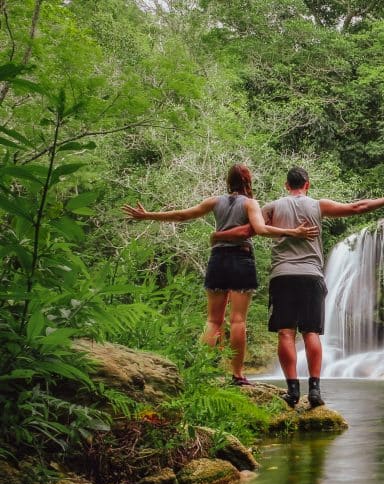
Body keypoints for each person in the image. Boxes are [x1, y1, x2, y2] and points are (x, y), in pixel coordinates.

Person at [215, 166, 384, 408]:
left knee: (285, 333)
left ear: (286, 185)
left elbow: (250, 229)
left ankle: (292, 390)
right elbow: (357, 207)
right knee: (311, 333)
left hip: (282, 275)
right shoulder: (317, 205)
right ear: (307, 184)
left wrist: (221, 236)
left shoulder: (272, 208)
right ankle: (314, 389)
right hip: (311, 276)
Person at [121, 164, 317, 385]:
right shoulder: (250, 203)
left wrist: (148, 216)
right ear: (247, 181)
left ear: (228, 181)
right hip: (241, 259)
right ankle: (238, 374)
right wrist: (294, 232)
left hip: (218, 259)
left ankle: (200, 372)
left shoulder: (215, 201)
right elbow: (261, 230)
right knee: (238, 321)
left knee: (213, 320)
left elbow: (182, 215)